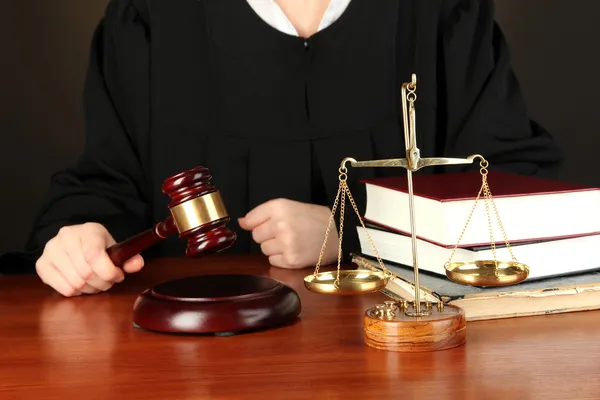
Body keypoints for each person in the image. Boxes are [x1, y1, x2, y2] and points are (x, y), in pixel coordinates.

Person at [0, 0, 562, 296]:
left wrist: (358, 234)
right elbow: (105, 180)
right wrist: (76, 236)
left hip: (404, 362)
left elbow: (515, 194)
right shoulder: (151, 13)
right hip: (189, 368)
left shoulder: (441, 11)